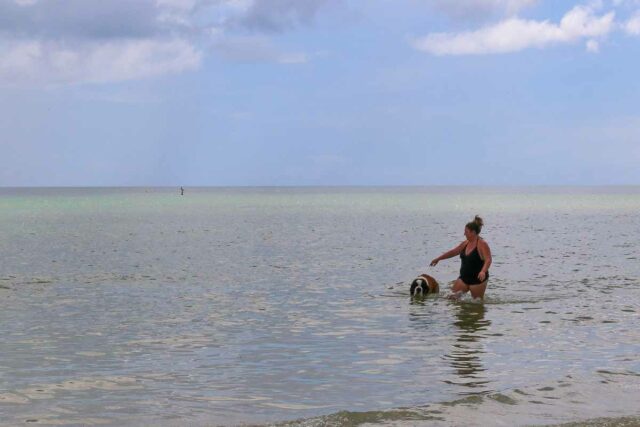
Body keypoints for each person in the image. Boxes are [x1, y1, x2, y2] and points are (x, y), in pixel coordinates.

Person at [430, 215, 492, 300]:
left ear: (473, 232)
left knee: (476, 304)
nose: (464, 234)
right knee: (450, 298)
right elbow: (454, 251)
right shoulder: (465, 243)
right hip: (463, 278)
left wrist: (483, 271)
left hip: (477, 280)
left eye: (466, 232)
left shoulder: (482, 244)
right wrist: (438, 258)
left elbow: (488, 259)